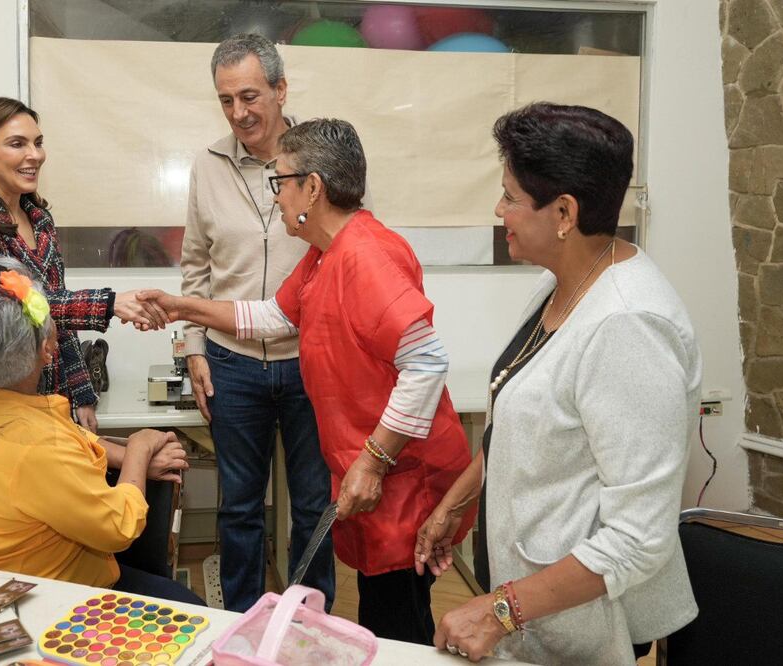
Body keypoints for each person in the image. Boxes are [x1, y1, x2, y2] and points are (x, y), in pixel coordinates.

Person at [139, 118, 474, 644]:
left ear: (312, 188)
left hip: (406, 475)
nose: (276, 198)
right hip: (381, 472)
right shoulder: (328, 253)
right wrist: (184, 307)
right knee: (385, 612)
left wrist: (373, 459)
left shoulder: (366, 256)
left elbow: (427, 363)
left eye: (281, 182)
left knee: (399, 624)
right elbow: (274, 317)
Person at [414, 103, 701, 664]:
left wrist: (499, 610)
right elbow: (524, 420)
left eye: (511, 197)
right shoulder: (566, 282)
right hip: (537, 607)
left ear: (564, 212)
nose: (500, 211)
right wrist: (457, 500)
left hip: (586, 616)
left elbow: (639, 539)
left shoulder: (628, 326)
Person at [0, 257, 199, 603]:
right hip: (43, 594)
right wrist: (140, 445)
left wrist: (127, 458)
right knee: (191, 609)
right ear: (48, 351)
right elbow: (119, 526)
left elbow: (71, 438)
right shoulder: (41, 449)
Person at [180, 34, 334, 611]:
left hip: (309, 362)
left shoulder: (320, 158)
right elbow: (195, 264)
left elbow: (349, 248)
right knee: (239, 506)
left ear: (280, 89)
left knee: (315, 504)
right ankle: (240, 625)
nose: (239, 113)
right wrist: (194, 348)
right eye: (225, 100)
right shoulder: (208, 164)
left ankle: (308, 621)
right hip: (231, 363)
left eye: (249, 96)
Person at [0, 96, 166, 447]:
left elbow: (57, 321)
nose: (34, 155)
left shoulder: (40, 220)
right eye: (17, 144)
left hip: (45, 404)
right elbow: (9, 299)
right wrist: (109, 303)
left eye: (37, 143)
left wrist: (82, 394)